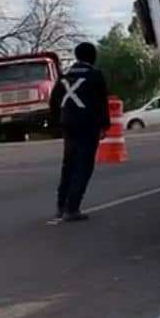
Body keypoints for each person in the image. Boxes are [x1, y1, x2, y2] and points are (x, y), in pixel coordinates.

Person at [48, 42, 110, 224]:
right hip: (87, 126)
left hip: (68, 125)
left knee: (68, 165)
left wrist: (56, 123)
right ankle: (72, 207)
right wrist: (103, 126)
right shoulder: (95, 76)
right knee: (83, 167)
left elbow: (54, 102)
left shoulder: (64, 77)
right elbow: (101, 102)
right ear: (93, 57)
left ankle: (61, 205)